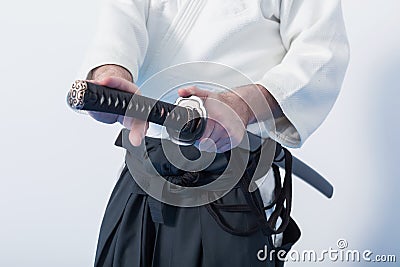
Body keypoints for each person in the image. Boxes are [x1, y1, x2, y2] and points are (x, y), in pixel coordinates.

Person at [79, 0, 349, 266]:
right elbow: (118, 29)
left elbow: (322, 52)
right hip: (144, 170)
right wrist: (110, 77)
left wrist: (242, 105)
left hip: (233, 180)